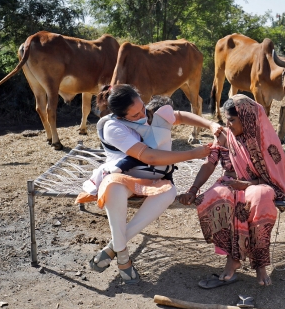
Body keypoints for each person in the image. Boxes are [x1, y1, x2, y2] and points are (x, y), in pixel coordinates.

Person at [87, 84, 222, 284]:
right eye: (134, 115)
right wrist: (192, 154)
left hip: (153, 180)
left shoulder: (148, 113)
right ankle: (123, 257)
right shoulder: (112, 127)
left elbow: (180, 116)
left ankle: (112, 248)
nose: (142, 114)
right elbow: (149, 155)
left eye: (142, 107)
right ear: (121, 116)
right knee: (113, 186)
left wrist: (211, 125)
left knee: (168, 192)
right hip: (124, 177)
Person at [178, 94, 285, 287]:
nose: (228, 125)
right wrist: (193, 189)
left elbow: (274, 177)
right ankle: (232, 259)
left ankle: (260, 265)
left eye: (232, 121)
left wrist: (247, 185)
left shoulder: (264, 138)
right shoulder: (224, 136)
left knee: (259, 196)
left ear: (246, 118)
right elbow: (209, 163)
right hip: (230, 182)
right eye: (226, 121)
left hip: (260, 184)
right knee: (218, 196)